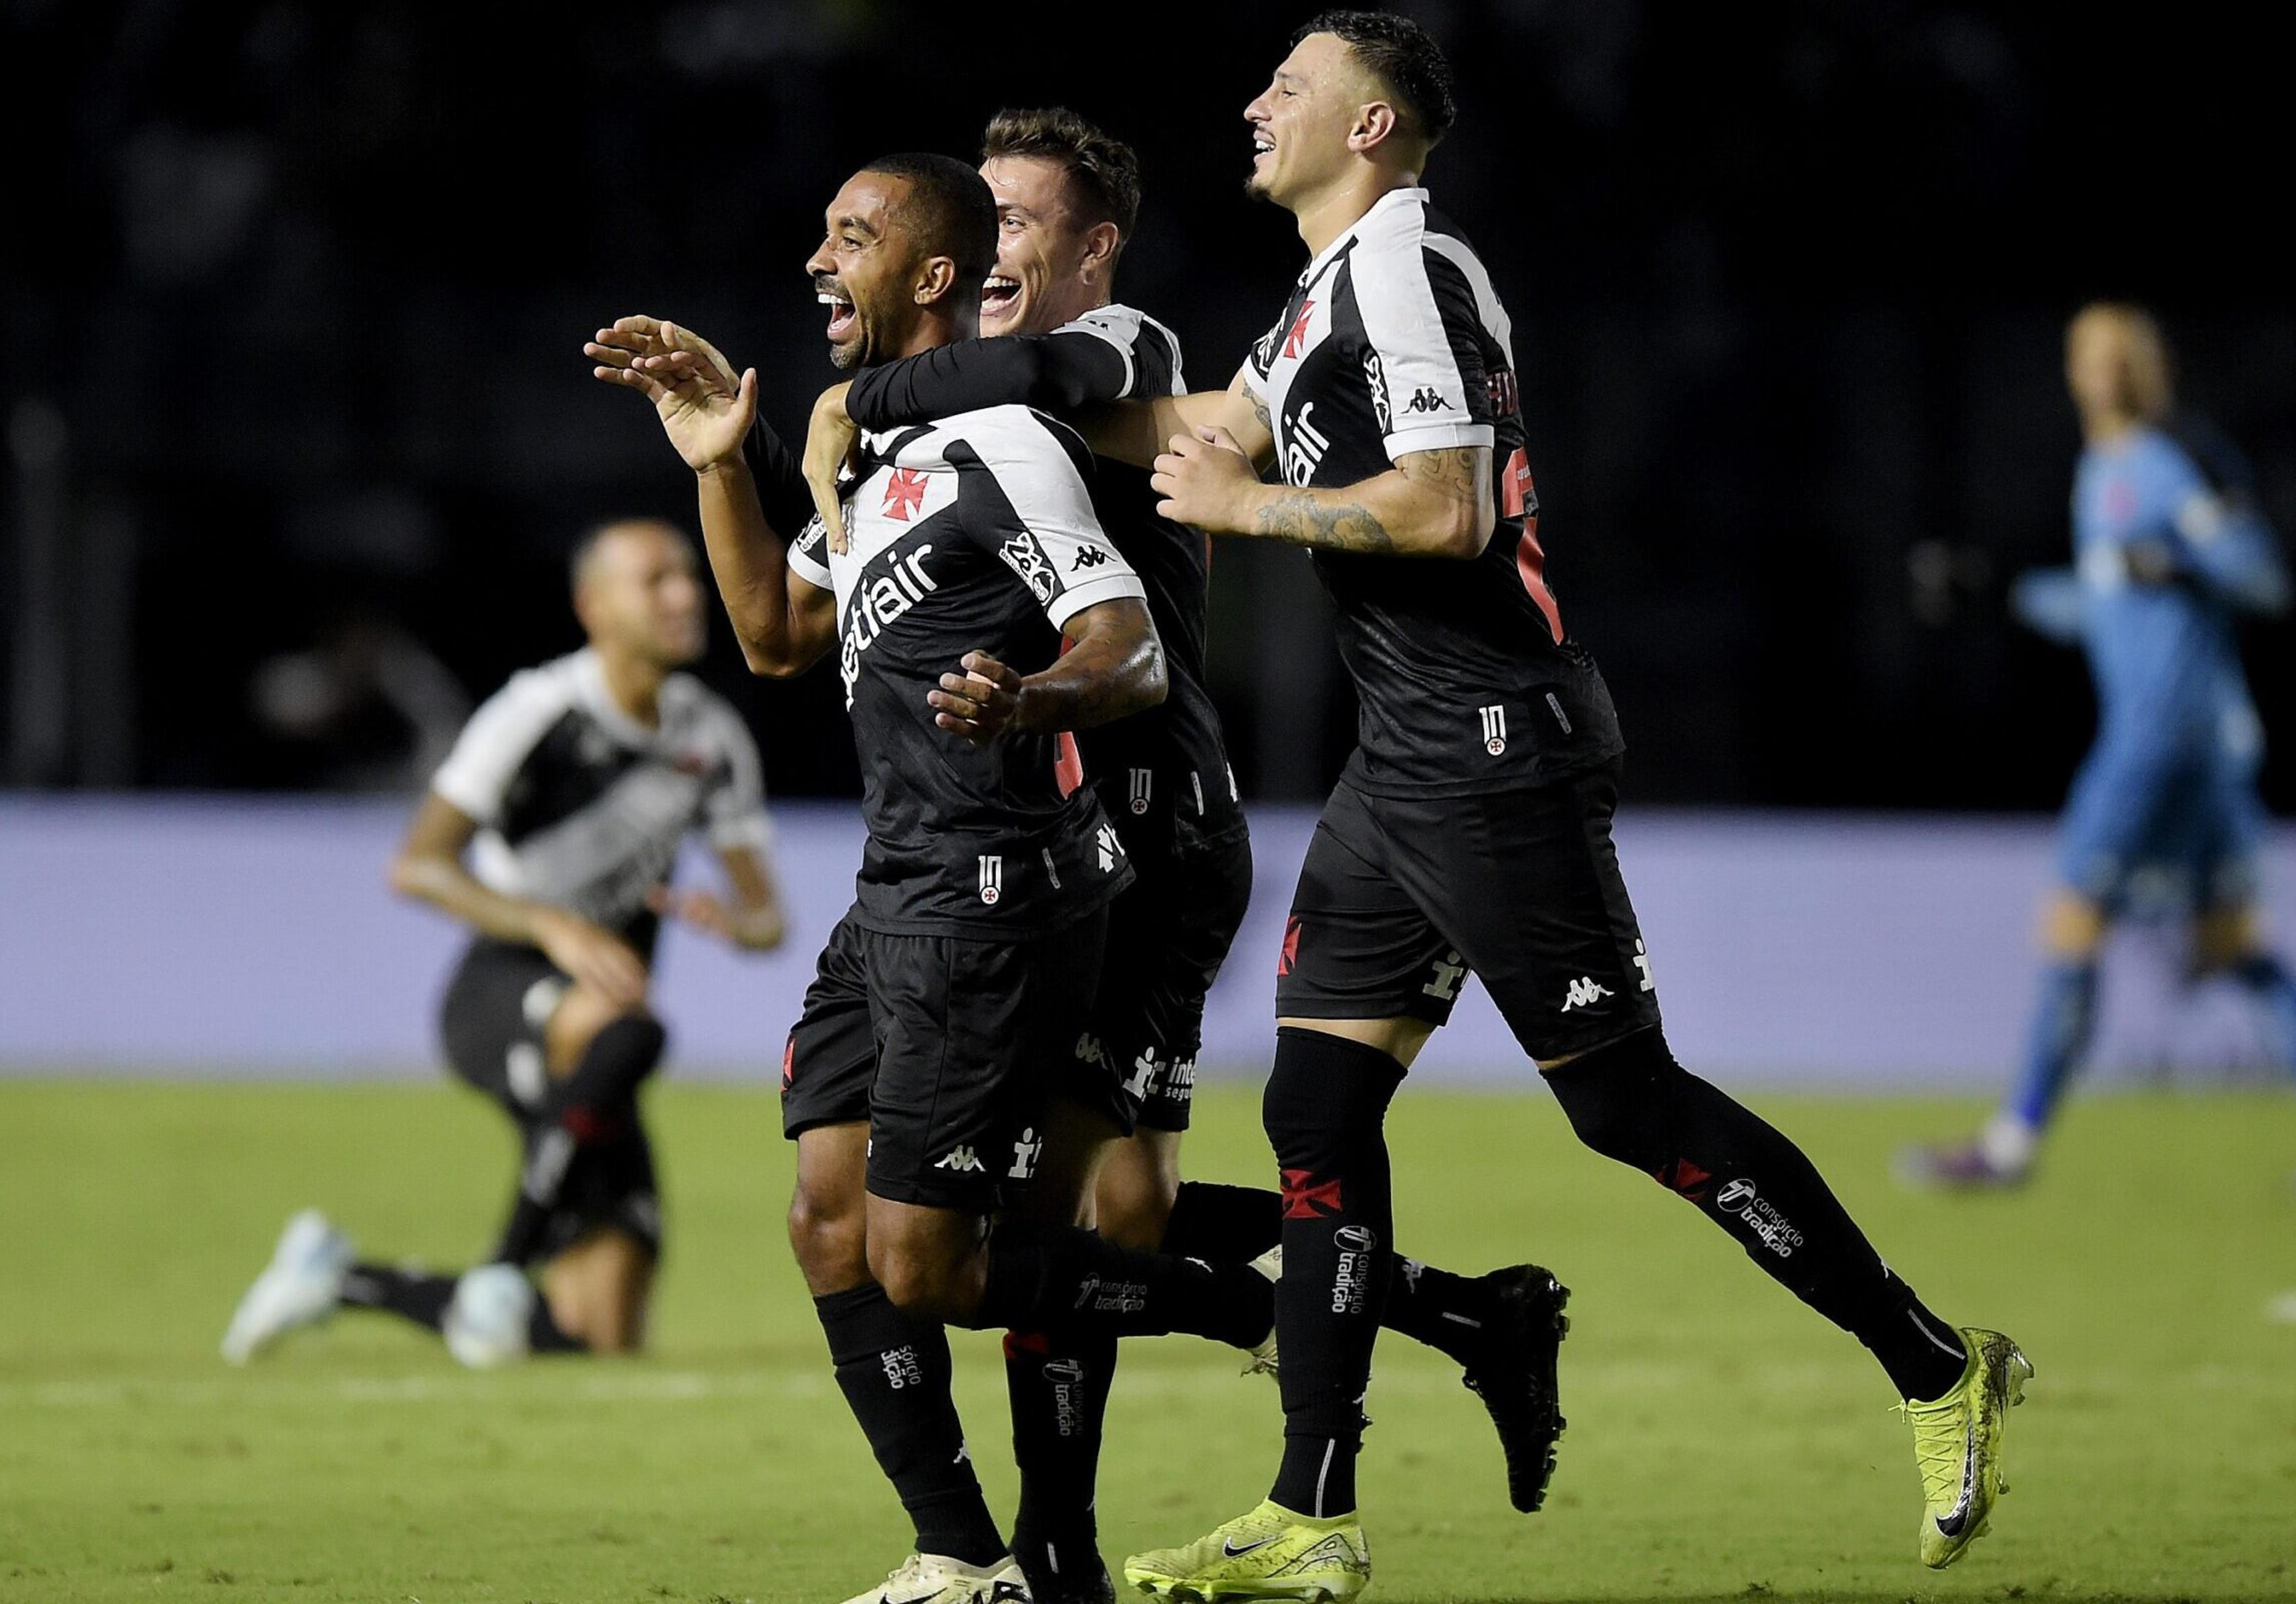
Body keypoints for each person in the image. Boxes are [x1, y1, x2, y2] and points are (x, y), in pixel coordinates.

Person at [1056, 16, 2027, 1597]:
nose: (1251, 102)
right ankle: (1310, 1508)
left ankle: (1930, 1361)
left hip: (1495, 744)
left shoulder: (1403, 276)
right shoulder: (1327, 289)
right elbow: (1198, 427)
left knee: (1623, 1104)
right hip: (1407, 758)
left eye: (1286, 87)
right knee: (1312, 1111)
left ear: (1369, 127)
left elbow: (1439, 508)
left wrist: (1251, 508)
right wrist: (947, 397)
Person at [594, 152, 1281, 1604]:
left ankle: (1268, 1316)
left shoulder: (1011, 436)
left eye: (852, 235)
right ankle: (961, 1554)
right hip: (892, 879)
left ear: (928, 277)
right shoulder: (863, 460)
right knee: (824, 1220)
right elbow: (778, 635)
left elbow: (1130, 647)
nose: (816, 260)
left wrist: (1030, 700)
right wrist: (728, 454)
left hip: (998, 882)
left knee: (934, 1266)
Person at [221, 518, 785, 1368]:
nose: (685, 594)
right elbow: (416, 866)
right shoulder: (538, 711)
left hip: (597, 1043)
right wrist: (551, 925)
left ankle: (339, 1280)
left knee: (596, 1336)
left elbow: (767, 920)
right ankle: (501, 1264)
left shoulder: (709, 739)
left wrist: (729, 920)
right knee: (631, 1026)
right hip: (501, 992)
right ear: (593, 607)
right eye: (656, 579)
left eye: (687, 577)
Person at [1904, 303, 2296, 1196]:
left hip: (2157, 742)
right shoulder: (2102, 468)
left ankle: (2013, 1145)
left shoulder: (2181, 458)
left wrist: (2179, 565)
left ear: (2146, 366)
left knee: (2070, 925)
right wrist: (2000, 591)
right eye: (2087, 357)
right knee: (2233, 946)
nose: (2102, 372)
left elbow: (2263, 579)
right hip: (2201, 750)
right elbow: (2105, 603)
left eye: (2116, 356)